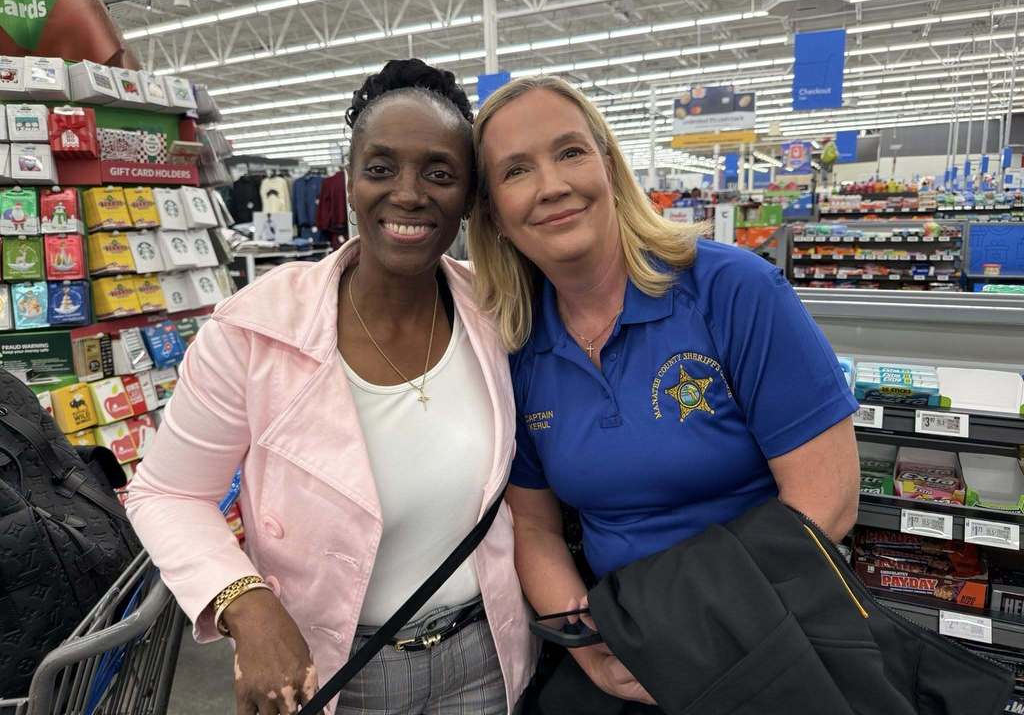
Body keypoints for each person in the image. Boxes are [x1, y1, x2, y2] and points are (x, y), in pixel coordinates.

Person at [126, 60, 537, 715]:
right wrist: (246, 602)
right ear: (349, 181)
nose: (407, 193)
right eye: (380, 168)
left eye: (439, 173)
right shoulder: (256, 330)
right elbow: (168, 492)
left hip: (481, 658)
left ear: (468, 195)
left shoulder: (497, 314)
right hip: (336, 669)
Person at [466, 76, 860, 710]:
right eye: (516, 171)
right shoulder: (515, 347)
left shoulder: (733, 291)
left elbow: (829, 501)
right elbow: (535, 529)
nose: (552, 185)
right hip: (623, 641)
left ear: (609, 167)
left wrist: (686, 636)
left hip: (773, 624)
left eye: (570, 152)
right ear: (494, 216)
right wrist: (586, 646)